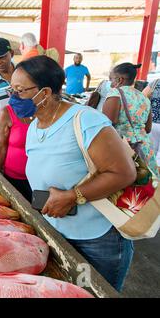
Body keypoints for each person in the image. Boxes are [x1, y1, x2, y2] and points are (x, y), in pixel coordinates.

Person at [16, 55, 136, 291]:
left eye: (20, 90)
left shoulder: (86, 121)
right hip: (56, 232)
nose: (13, 97)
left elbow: (124, 173)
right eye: (12, 89)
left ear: (45, 92)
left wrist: (73, 196)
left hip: (98, 239)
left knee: (97, 293)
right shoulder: (34, 126)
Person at [102, 63, 158, 176]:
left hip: (124, 148)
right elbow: (147, 128)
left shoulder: (115, 93)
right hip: (144, 147)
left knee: (124, 187)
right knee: (145, 185)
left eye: (111, 79)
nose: (111, 83)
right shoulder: (143, 97)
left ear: (119, 79)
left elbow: (106, 125)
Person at [0, 97, 32, 202]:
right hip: (15, 177)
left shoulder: (45, 111)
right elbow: (1, 146)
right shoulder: (7, 112)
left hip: (42, 180)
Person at [142, 79, 160, 169]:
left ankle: (152, 178)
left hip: (152, 123)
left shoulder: (156, 82)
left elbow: (142, 98)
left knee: (150, 153)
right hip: (152, 124)